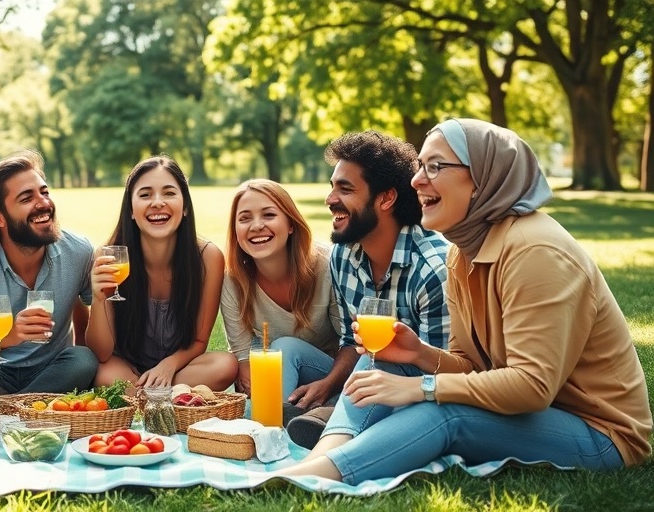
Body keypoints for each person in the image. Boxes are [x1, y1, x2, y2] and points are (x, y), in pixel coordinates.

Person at [279, 118, 653, 483]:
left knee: (447, 411)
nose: (417, 180)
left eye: (436, 166)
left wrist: (422, 387)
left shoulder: (536, 249)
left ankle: (312, 478)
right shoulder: (463, 253)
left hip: (600, 434)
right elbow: (471, 366)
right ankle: (321, 455)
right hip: (530, 413)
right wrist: (419, 355)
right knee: (383, 359)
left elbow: (533, 387)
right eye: (420, 166)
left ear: (483, 179)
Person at [286, 130, 450, 448]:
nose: (330, 199)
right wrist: (329, 382)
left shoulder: (433, 270)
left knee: (379, 358)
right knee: (288, 348)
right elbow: (352, 340)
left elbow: (444, 375)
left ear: (386, 198)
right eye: (332, 187)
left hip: (421, 390)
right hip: (365, 380)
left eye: (345, 189)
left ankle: (334, 424)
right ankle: (287, 423)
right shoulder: (345, 256)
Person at [0, 150, 97, 399]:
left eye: (44, 192)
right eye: (27, 198)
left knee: (83, 359)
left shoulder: (78, 251)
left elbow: (94, 309)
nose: (44, 203)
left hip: (53, 369)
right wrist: (8, 337)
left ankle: (5, 407)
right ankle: (32, 407)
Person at [85, 155, 237, 392]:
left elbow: (198, 341)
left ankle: (146, 394)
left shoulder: (208, 258)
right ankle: (164, 394)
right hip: (127, 368)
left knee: (225, 365)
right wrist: (97, 299)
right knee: (105, 374)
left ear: (185, 206)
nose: (157, 203)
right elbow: (102, 353)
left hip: (179, 367)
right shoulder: (109, 258)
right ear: (131, 210)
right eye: (145, 195)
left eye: (169, 193)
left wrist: (168, 366)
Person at [221, 179, 342, 403]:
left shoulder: (327, 266)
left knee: (283, 349)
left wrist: (328, 386)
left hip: (331, 373)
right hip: (278, 374)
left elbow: (352, 343)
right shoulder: (233, 280)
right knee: (263, 370)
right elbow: (242, 356)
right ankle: (282, 417)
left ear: (291, 224)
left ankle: (268, 427)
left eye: (268, 215)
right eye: (245, 218)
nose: (256, 226)